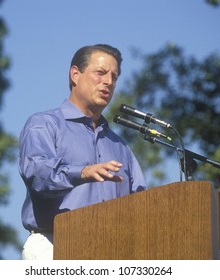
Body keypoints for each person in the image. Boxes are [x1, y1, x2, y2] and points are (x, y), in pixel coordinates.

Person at [18, 44, 146, 260]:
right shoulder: (44, 125)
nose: (108, 82)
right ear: (75, 74)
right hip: (54, 245)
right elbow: (38, 176)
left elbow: (141, 203)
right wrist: (83, 172)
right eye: (100, 73)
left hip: (111, 253)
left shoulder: (120, 146)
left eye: (114, 77)